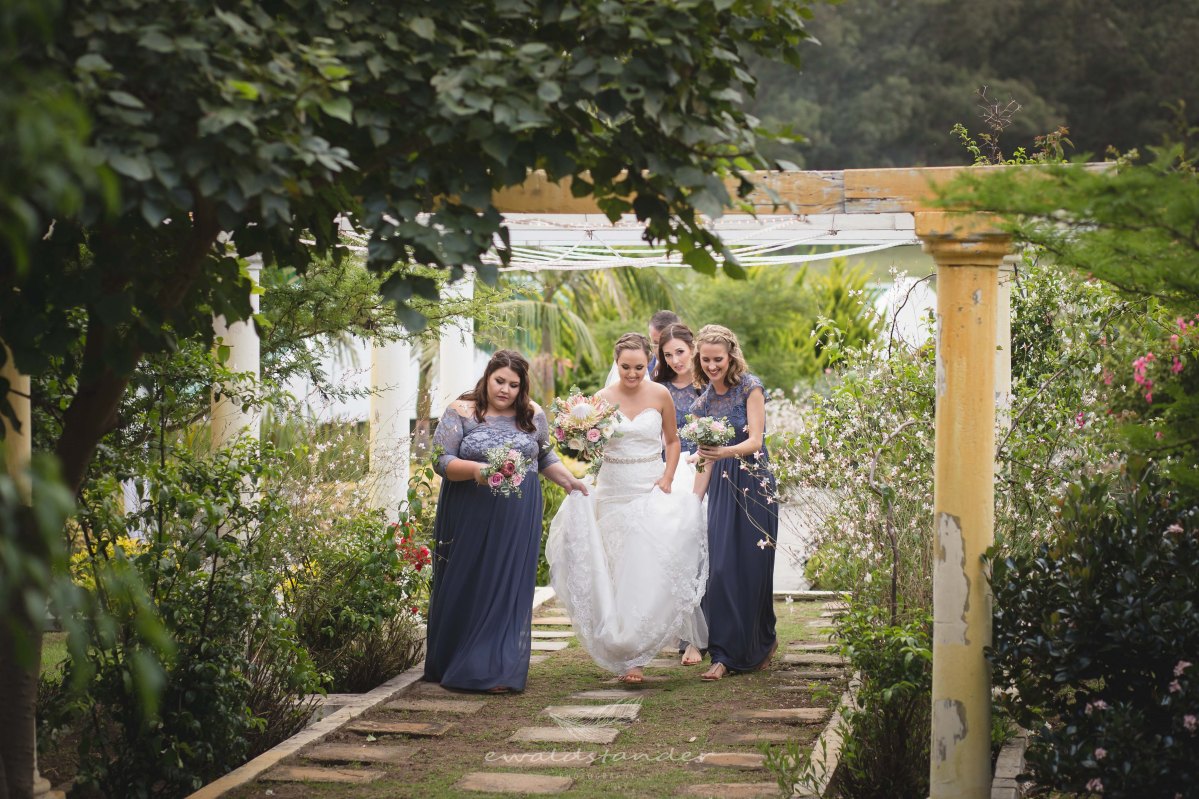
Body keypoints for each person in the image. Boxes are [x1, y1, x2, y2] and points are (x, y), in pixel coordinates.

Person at [547, 333, 708, 684]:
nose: (632, 374)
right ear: (616, 363)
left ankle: (637, 652)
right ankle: (623, 650)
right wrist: (579, 437)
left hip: (649, 487)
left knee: (644, 568)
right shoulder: (601, 400)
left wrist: (667, 476)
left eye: (639, 367)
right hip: (612, 489)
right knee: (616, 569)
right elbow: (591, 448)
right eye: (625, 367)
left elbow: (672, 440)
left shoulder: (660, 394)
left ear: (648, 362)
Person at [425, 350, 588, 693]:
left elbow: (543, 455)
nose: (505, 390)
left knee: (506, 581)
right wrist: (479, 471)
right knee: (468, 580)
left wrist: (569, 480)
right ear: (487, 377)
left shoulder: (531, 413)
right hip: (469, 508)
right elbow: (440, 461)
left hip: (518, 510)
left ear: (522, 386)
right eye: (500, 381)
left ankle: (496, 666)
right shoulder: (461, 411)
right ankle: (457, 658)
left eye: (514, 385)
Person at [689, 325, 778, 681]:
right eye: (706, 360)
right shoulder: (703, 403)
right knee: (722, 569)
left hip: (754, 482)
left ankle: (762, 642)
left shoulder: (750, 388)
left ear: (731, 357)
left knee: (753, 569)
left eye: (718, 360)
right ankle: (723, 654)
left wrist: (723, 451)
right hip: (722, 489)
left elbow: (755, 440)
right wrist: (693, 500)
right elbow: (704, 458)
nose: (712, 366)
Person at [653, 322, 707, 666]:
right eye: (668, 354)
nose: (675, 360)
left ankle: (703, 636)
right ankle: (687, 635)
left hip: (707, 470)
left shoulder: (710, 386)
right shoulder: (659, 389)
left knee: (705, 550)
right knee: (679, 551)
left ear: (693, 348)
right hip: (671, 474)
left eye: (680, 352)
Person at [604, 309, 680, 386]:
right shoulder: (642, 363)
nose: (659, 350)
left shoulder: (685, 369)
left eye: (665, 343)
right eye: (655, 343)